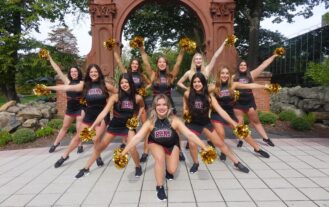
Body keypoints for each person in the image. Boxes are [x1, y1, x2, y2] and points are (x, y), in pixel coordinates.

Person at [120, 94, 209, 201]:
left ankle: (168, 171)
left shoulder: (175, 120)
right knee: (160, 159)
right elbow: (137, 137)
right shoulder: (150, 122)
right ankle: (160, 187)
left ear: (168, 106)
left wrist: (204, 147)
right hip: (155, 143)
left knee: (172, 170)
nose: (161, 107)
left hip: (172, 144)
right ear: (154, 107)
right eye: (158, 105)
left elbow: (190, 134)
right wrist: (124, 152)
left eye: (164, 105)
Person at [46, 64, 117, 168]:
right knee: (77, 138)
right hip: (89, 116)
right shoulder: (84, 85)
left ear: (99, 73)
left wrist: (116, 107)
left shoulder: (105, 85)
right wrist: (48, 87)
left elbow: (118, 94)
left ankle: (97, 156)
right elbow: (67, 87)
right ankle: (65, 156)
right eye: (91, 72)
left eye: (96, 72)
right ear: (88, 73)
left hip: (102, 116)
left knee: (96, 138)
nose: (93, 73)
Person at [75, 73, 145, 178]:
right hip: (115, 125)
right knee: (100, 147)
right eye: (122, 83)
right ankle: (86, 168)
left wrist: (137, 117)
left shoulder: (138, 97)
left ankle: (138, 166)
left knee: (132, 148)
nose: (124, 84)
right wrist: (92, 126)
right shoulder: (115, 97)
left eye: (126, 82)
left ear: (131, 83)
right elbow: (104, 112)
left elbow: (142, 107)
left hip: (128, 126)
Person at [183, 73, 249, 173]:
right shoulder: (187, 94)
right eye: (195, 82)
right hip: (193, 124)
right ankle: (196, 163)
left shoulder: (209, 97)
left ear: (203, 83)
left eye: (199, 82)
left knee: (220, 143)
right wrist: (185, 111)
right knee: (192, 144)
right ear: (192, 83)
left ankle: (236, 162)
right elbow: (185, 106)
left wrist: (234, 123)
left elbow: (221, 111)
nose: (197, 84)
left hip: (205, 122)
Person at [138, 42, 187, 161]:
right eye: (160, 62)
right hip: (156, 105)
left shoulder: (171, 75)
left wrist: (182, 50)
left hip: (169, 105)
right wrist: (141, 48)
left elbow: (178, 63)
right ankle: (145, 152)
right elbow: (145, 62)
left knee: (175, 128)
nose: (161, 64)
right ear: (157, 64)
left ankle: (179, 151)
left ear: (166, 64)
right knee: (150, 128)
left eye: (164, 62)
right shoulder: (153, 75)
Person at [210, 66, 270, 160]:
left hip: (229, 113)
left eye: (227, 73)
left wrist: (263, 86)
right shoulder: (213, 87)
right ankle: (223, 151)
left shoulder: (233, 85)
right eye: (222, 73)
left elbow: (250, 85)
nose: (224, 75)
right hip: (217, 114)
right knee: (221, 133)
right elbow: (200, 91)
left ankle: (257, 148)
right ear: (219, 75)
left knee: (241, 131)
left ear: (229, 75)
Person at [177, 39, 226, 149]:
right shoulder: (189, 73)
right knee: (191, 118)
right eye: (196, 59)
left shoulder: (207, 70)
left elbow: (215, 56)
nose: (198, 60)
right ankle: (191, 140)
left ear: (202, 60)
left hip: (205, 97)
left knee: (207, 118)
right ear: (193, 61)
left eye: (200, 59)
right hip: (193, 99)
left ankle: (211, 140)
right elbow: (179, 82)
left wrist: (223, 43)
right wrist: (188, 89)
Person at [113, 48, 151, 162]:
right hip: (129, 103)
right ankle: (127, 143)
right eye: (133, 63)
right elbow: (119, 62)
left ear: (138, 66)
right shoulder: (126, 73)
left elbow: (150, 84)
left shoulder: (141, 75)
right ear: (130, 64)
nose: (135, 65)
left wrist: (143, 89)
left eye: (136, 64)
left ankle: (145, 151)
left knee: (145, 127)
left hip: (140, 102)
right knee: (128, 125)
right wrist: (113, 49)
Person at [233, 55, 278, 148]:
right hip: (237, 103)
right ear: (238, 67)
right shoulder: (233, 77)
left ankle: (266, 138)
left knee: (255, 121)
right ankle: (240, 140)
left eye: (244, 65)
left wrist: (274, 56)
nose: (242, 66)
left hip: (249, 102)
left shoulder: (251, 74)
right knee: (239, 123)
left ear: (247, 67)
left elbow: (263, 65)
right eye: (241, 65)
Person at [47, 54, 85, 153]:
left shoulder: (82, 82)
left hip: (80, 107)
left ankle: (80, 145)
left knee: (79, 127)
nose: (73, 73)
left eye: (75, 71)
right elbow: (57, 70)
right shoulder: (67, 81)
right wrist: (50, 58)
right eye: (72, 71)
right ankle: (56, 143)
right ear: (70, 73)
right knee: (64, 127)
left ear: (78, 72)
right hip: (70, 108)